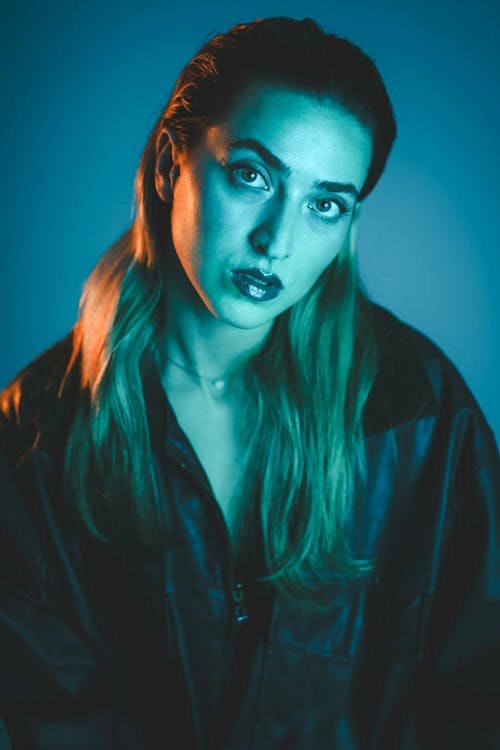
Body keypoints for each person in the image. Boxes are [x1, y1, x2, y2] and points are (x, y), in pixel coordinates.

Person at [0, 15, 499, 750]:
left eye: (325, 204)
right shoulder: (35, 439)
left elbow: (481, 696)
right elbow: (59, 720)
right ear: (170, 165)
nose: (277, 241)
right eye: (252, 175)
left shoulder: (418, 411)